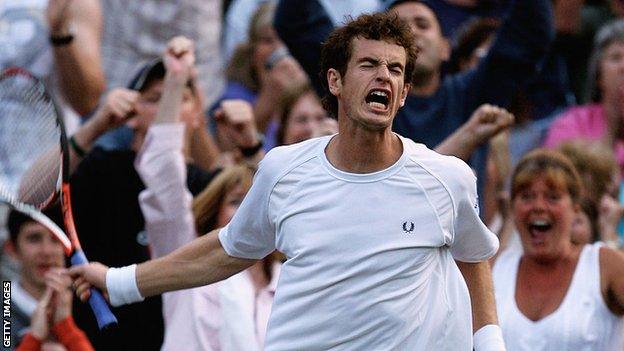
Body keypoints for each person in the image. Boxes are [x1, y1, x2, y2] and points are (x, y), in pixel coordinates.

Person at [71, 13, 505, 350]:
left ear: (404, 93)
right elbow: (226, 250)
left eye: (395, 70)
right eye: (369, 64)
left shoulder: (446, 179)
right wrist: (118, 282)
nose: (384, 77)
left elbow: (475, 259)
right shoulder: (284, 170)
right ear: (334, 81)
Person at [64, 36, 230, 350]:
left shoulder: (211, 186)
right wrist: (96, 125)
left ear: (198, 114)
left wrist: (249, 149)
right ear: (133, 110)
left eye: (178, 95)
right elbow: (30, 192)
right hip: (101, 338)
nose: (166, 106)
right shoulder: (102, 168)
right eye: (155, 97)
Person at [492, 149, 624, 350]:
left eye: (552, 197)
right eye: (526, 197)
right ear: (512, 208)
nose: (538, 206)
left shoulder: (604, 265)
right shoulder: (493, 268)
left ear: (575, 208)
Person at [545, 19, 624, 177]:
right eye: (616, 58)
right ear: (598, 76)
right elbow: (556, 180)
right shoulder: (572, 124)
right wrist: (612, 128)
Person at [4, 210, 93, 350]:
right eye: (34, 238)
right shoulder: (5, 306)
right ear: (12, 249)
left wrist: (66, 327)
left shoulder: (90, 302)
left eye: (56, 238)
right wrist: (34, 338)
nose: (46, 251)